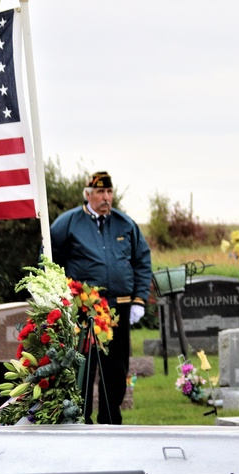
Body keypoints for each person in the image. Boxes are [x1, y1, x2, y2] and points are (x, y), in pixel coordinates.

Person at [49, 171, 152, 425]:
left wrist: (139, 298)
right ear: (88, 195)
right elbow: (49, 257)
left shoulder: (125, 224)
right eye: (100, 193)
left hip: (119, 307)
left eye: (109, 192)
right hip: (85, 309)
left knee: (116, 367)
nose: (106, 198)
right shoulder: (69, 223)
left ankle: (110, 418)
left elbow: (142, 261)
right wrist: (60, 295)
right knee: (84, 365)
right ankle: (80, 417)